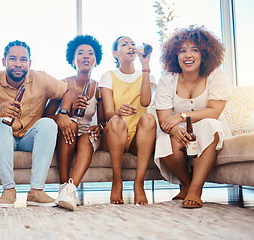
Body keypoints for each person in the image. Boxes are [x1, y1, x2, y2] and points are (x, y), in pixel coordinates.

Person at [0, 40, 74, 208]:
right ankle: (9, 190)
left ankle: (36, 192)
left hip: (29, 137)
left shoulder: (40, 77)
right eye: (13, 59)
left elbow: (68, 91)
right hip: (2, 138)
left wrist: (64, 113)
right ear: (4, 61)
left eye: (23, 60)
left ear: (29, 63)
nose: (18, 64)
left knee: (49, 124)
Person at [152, 25, 232, 208]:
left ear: (204, 53)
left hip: (211, 127)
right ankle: (186, 183)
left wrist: (181, 116)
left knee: (210, 126)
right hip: (180, 129)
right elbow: (165, 120)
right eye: (182, 51)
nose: (188, 55)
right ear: (175, 55)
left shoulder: (215, 75)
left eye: (194, 50)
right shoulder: (167, 80)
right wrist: (174, 129)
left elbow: (214, 111)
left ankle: (196, 190)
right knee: (165, 141)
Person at [44, 35, 104, 211]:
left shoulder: (99, 88)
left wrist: (99, 127)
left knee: (87, 136)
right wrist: (68, 112)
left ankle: (70, 188)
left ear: (96, 60)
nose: (86, 56)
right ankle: (63, 185)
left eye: (90, 53)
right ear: (73, 60)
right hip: (66, 132)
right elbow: (45, 118)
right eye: (80, 53)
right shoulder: (62, 84)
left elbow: (103, 121)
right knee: (71, 123)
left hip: (86, 136)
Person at [99, 36, 157, 205]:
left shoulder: (148, 76)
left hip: (136, 138)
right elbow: (108, 113)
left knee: (148, 117)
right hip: (115, 133)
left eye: (133, 44)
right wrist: (119, 111)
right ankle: (117, 182)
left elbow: (145, 102)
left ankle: (139, 184)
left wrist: (145, 67)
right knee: (117, 120)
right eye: (125, 44)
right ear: (115, 53)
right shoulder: (108, 76)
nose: (131, 46)